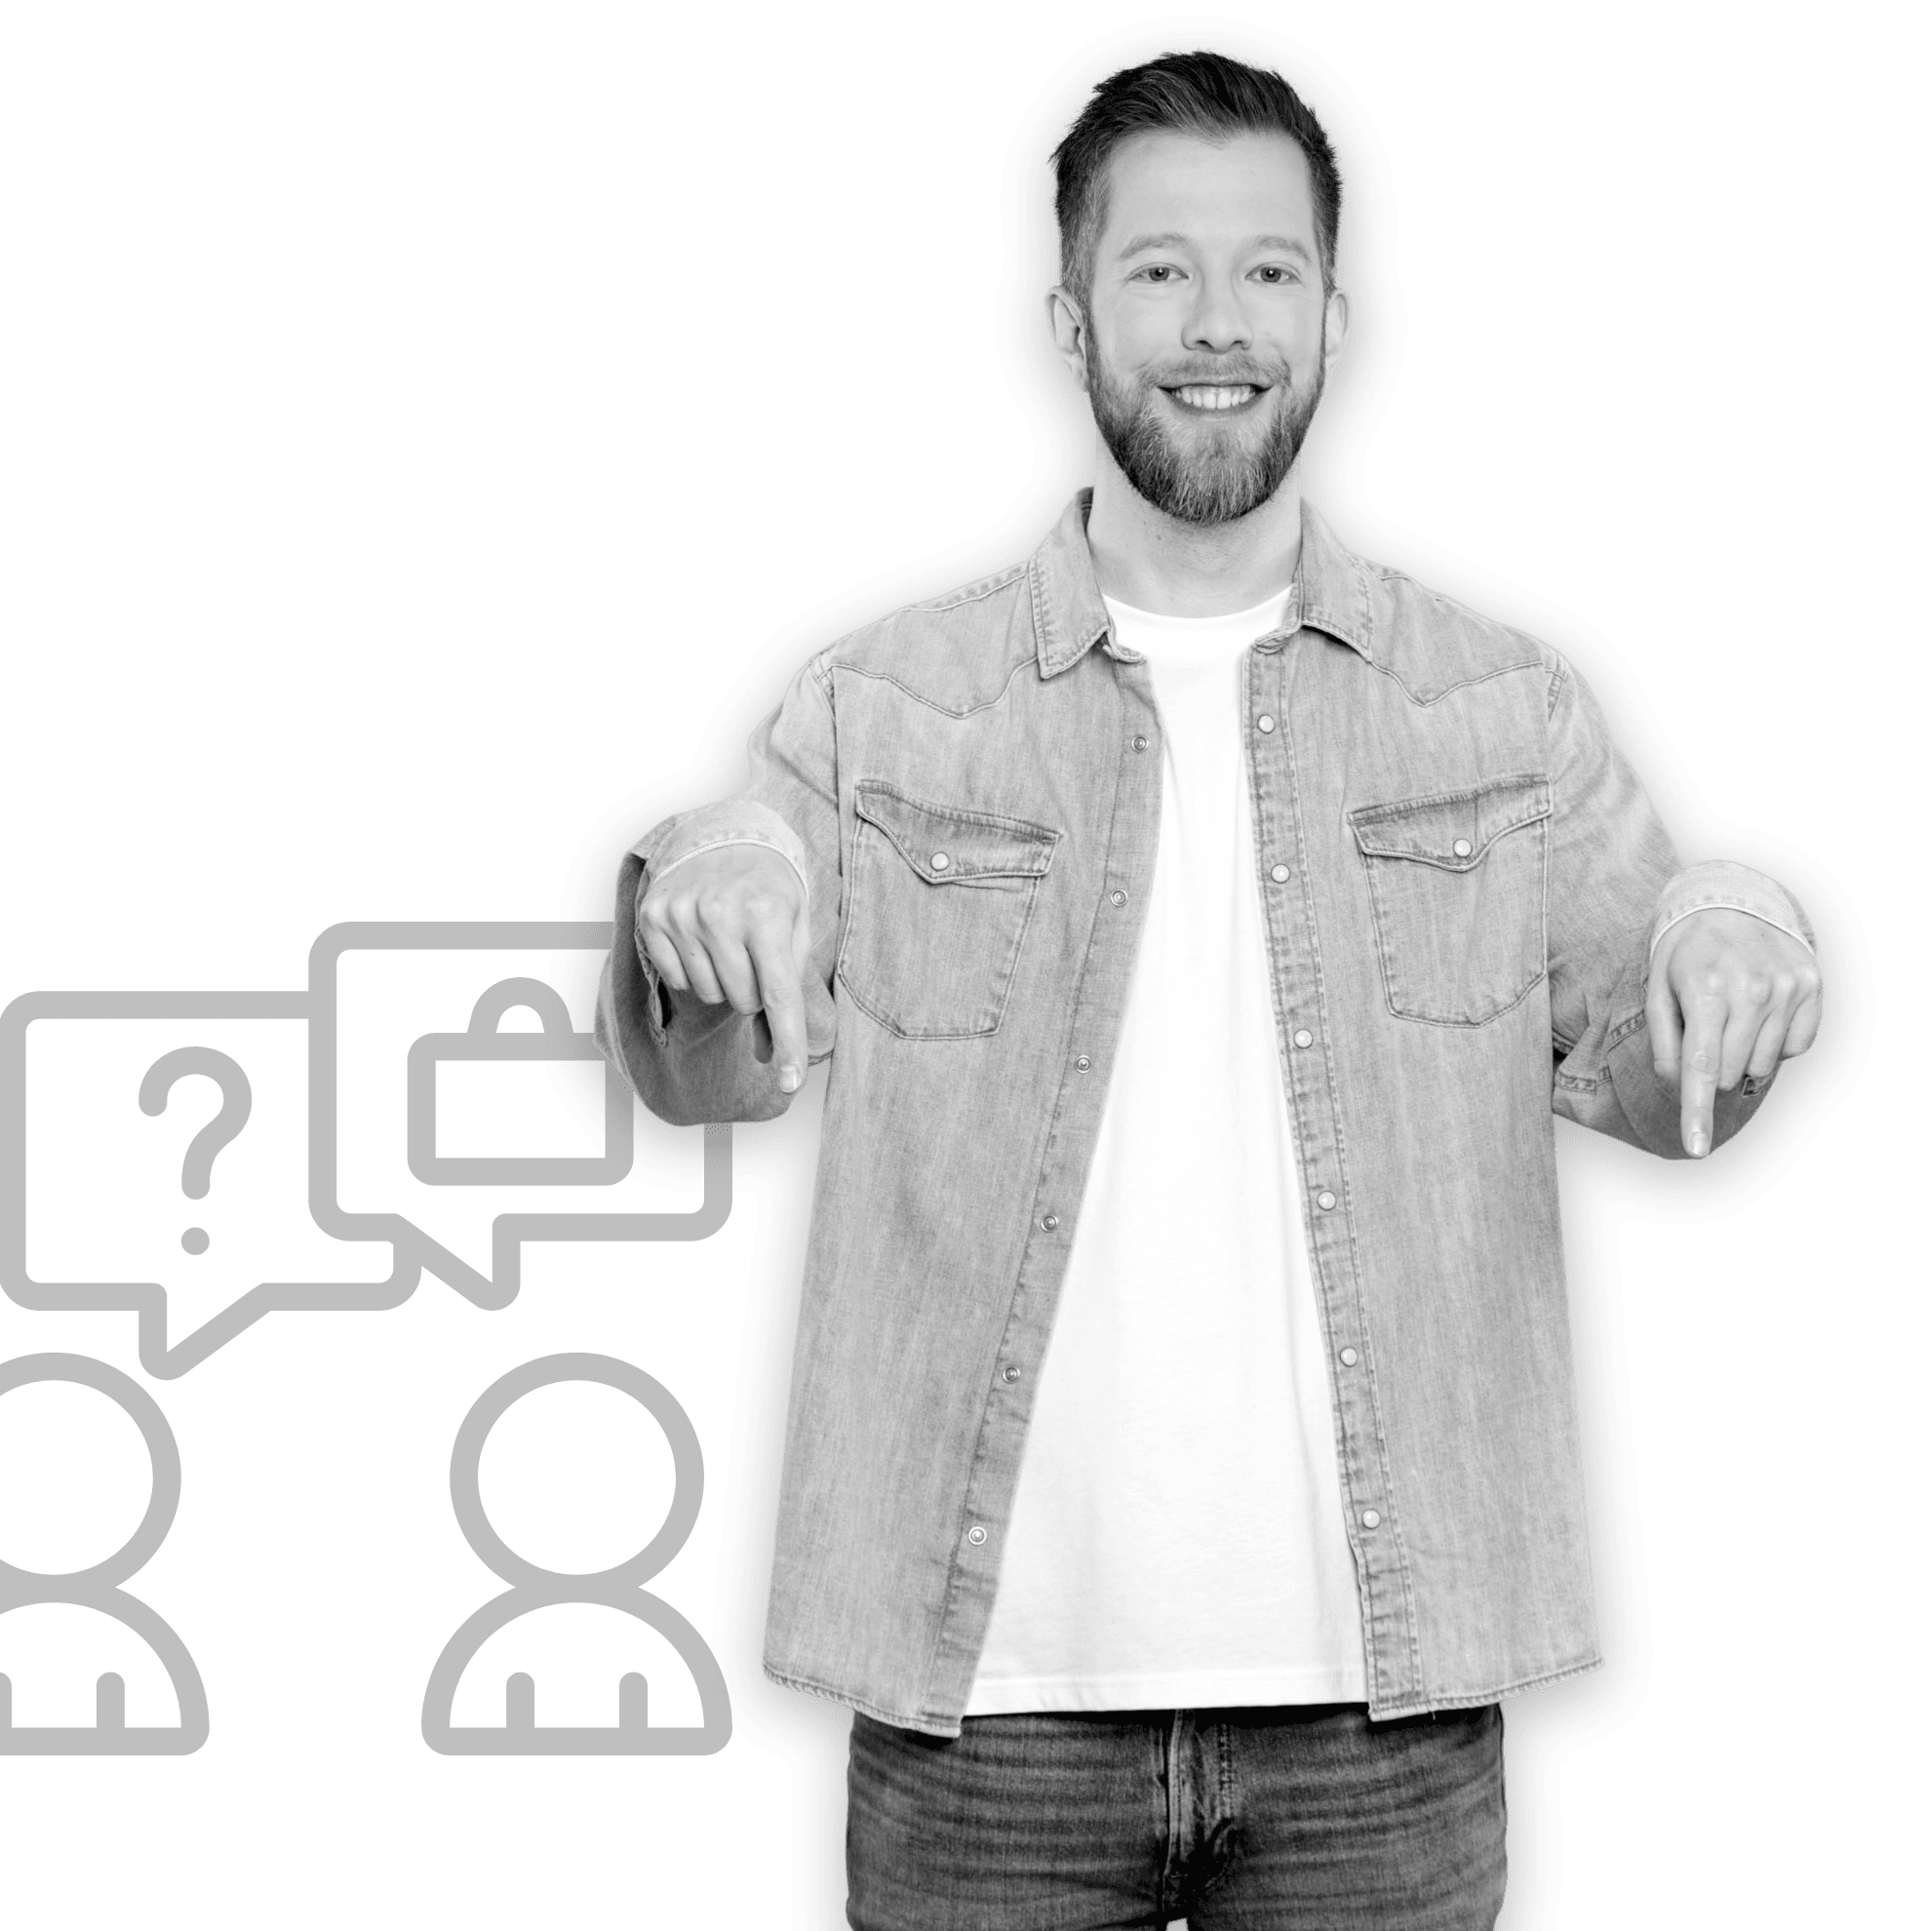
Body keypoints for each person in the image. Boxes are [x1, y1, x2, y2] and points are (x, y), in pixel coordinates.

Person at [592, 46, 1824, 1931]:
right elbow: (701, 1073)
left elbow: (1664, 1056)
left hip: (1393, 1723)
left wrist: (1738, 924)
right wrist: (695, 884)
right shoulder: (878, 704)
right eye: (1161, 271)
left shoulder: (1505, 705)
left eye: (1267, 271)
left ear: (1337, 328)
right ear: (1070, 328)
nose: (1218, 324)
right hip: (976, 1723)